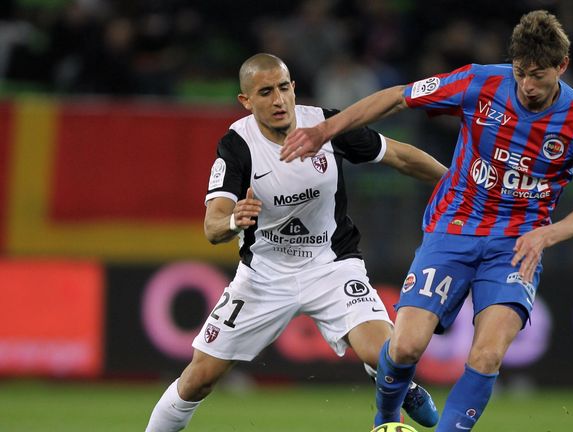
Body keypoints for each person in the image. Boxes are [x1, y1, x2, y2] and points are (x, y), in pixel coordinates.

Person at [282, 10, 573, 432]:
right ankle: (386, 418)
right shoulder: (481, 82)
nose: (528, 86)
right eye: (521, 73)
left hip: (516, 247)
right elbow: (400, 96)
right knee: (404, 347)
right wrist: (327, 129)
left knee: (487, 355)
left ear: (562, 67)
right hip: (453, 227)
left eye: (539, 76)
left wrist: (549, 233)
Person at [144, 53, 446, 432]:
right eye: (265, 92)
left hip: (331, 265)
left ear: (293, 88)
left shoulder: (324, 125)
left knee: (385, 351)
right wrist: (236, 219)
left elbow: (399, 156)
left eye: (284, 88)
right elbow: (212, 226)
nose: (278, 100)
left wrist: (456, 184)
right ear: (246, 101)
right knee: (198, 378)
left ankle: (397, 379)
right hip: (264, 276)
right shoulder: (237, 145)